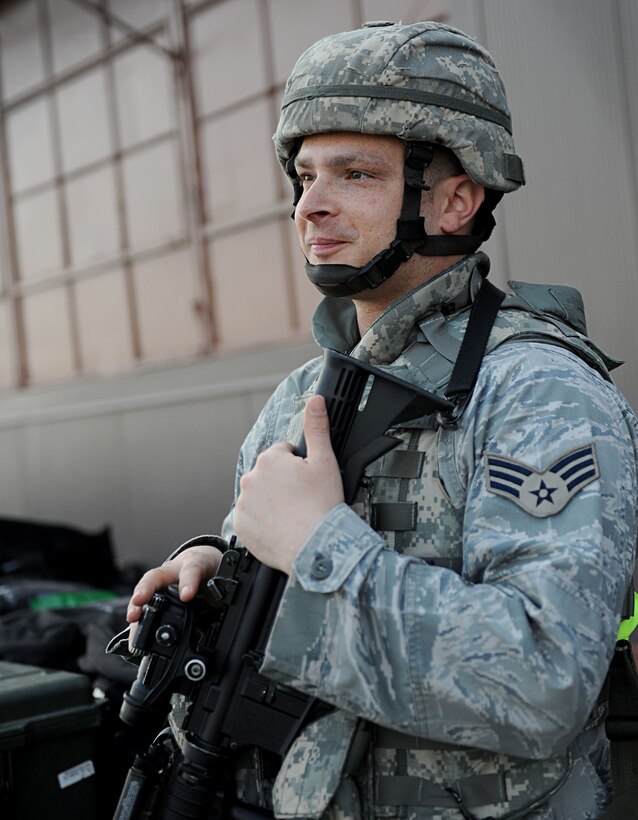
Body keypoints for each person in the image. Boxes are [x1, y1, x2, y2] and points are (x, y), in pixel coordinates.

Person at [124, 21, 638, 819]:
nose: (310, 207)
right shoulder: (306, 394)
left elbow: (546, 682)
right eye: (302, 177)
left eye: (355, 174)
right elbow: (277, 552)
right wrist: (217, 571)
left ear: (456, 200)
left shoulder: (536, 392)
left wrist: (319, 547)